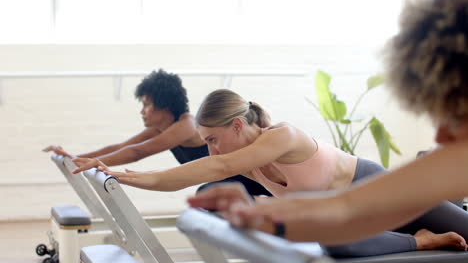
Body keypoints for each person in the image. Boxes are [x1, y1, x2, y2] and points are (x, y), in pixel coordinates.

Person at [188, 0, 468, 249]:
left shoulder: (281, 136)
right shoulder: (452, 161)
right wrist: (268, 216)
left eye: (457, 115)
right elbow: (344, 207)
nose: (440, 135)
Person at [75, 88, 468, 257]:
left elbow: (218, 165)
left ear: (236, 126)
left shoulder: (282, 136)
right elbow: (199, 173)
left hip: (379, 190)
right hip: (347, 218)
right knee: (333, 244)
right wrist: (121, 175)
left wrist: (126, 171)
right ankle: (423, 242)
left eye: (212, 139)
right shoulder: (247, 157)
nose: (210, 147)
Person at [43, 69, 270, 197]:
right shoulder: (160, 128)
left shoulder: (186, 124)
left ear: (165, 106)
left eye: (147, 105)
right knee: (205, 193)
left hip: (248, 180)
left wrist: (94, 163)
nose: (142, 111)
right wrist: (75, 158)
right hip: (223, 179)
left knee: (206, 194)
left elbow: (137, 153)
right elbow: (120, 148)